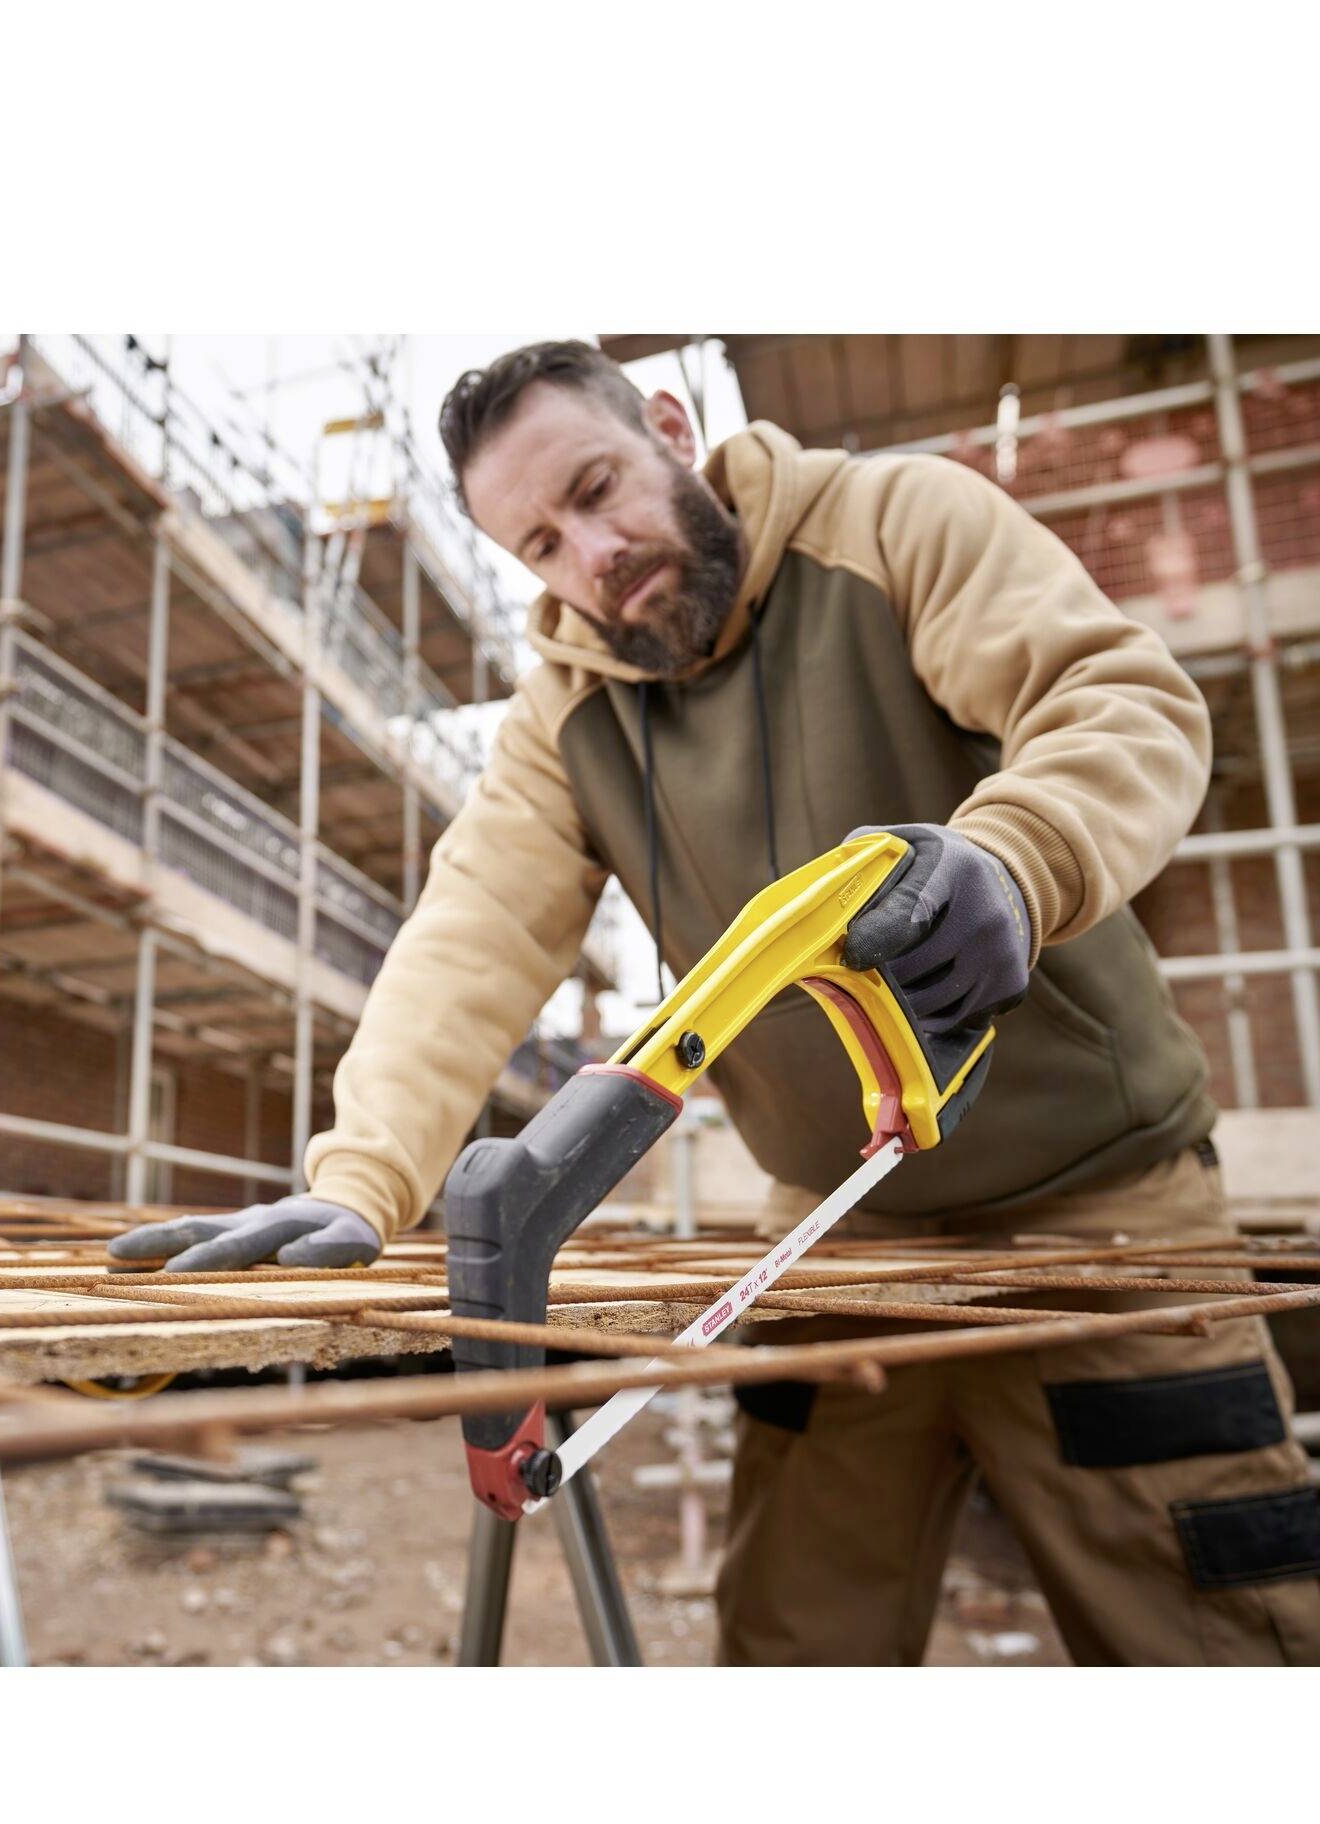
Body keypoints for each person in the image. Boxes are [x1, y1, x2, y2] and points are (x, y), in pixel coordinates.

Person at [112, 340, 1320, 1665]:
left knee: (1222, 1634)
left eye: (596, 488)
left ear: (675, 429)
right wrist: (361, 1180)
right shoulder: (564, 716)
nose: (591, 556)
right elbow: (468, 941)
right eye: (542, 546)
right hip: (832, 1238)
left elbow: (1120, 702)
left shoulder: (895, 519)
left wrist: (1020, 862)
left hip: (1103, 1203)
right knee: (789, 1644)